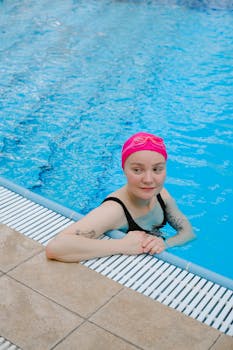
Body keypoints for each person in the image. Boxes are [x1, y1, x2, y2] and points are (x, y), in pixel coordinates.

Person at [46, 132, 195, 262]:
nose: (149, 179)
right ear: (124, 170)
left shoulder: (162, 194)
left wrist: (164, 243)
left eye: (157, 169)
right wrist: (122, 245)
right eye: (137, 170)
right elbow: (56, 247)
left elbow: (188, 232)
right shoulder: (114, 210)